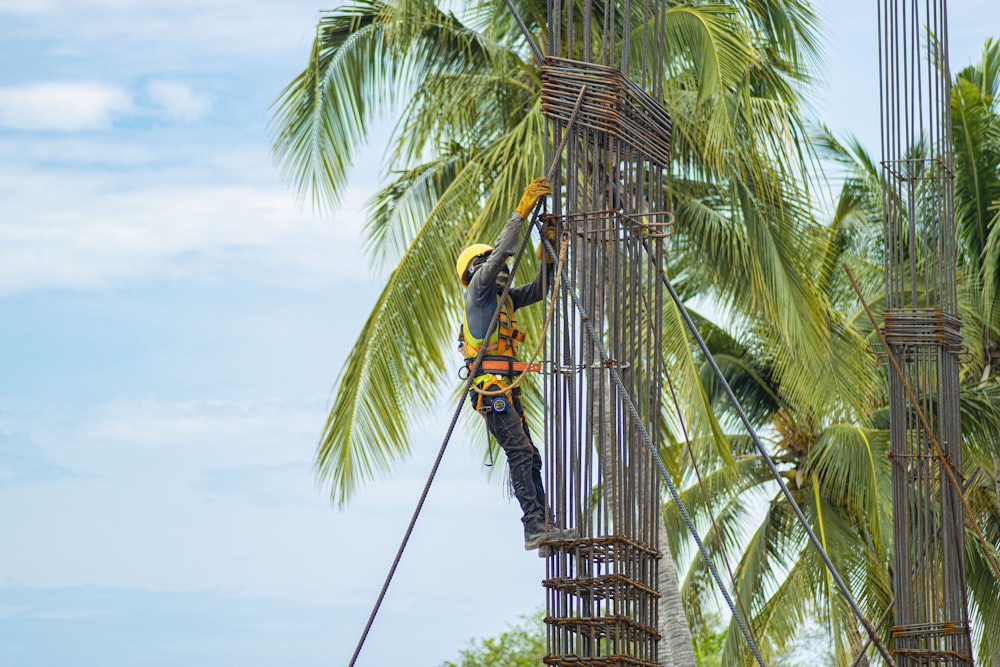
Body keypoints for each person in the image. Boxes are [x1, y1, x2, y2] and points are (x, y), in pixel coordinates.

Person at [456, 177, 570, 551]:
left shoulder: (504, 300)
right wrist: (521, 213)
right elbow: (503, 250)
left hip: (507, 390)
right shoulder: (479, 292)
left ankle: (544, 523)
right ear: (476, 268)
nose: (502, 268)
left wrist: (548, 246)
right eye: (489, 262)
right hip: (492, 391)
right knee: (520, 453)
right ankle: (533, 526)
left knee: (530, 454)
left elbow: (542, 287)